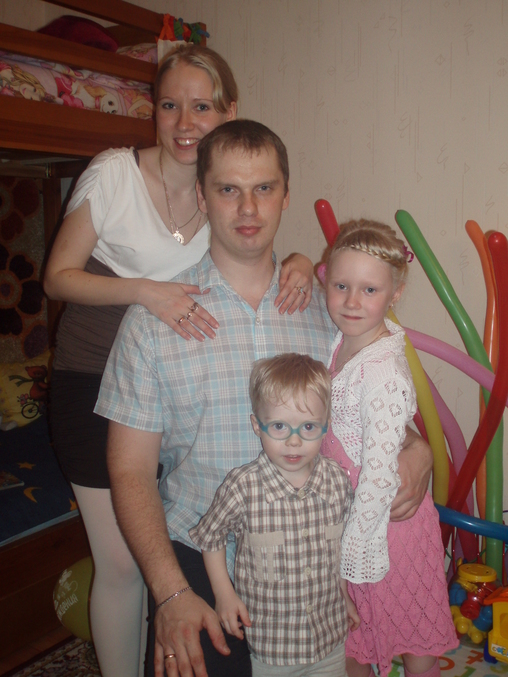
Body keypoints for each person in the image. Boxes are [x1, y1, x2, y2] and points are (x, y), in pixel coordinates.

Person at [96, 119, 433, 677]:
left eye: (264, 188)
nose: (248, 208)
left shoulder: (331, 311)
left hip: (315, 566)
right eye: (228, 189)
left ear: (285, 195)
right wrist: (170, 593)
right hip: (201, 559)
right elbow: (129, 470)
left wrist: (417, 447)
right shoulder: (152, 324)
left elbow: (375, 407)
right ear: (201, 196)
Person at [42, 46, 315, 677]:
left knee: (166, 528)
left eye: (201, 106)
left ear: (228, 112)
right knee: (122, 561)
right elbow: (57, 278)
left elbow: (254, 247)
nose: (185, 121)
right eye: (170, 105)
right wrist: (145, 291)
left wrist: (305, 263)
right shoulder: (116, 174)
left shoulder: (222, 184)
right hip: (94, 374)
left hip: (178, 378)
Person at [320, 220, 458, 677]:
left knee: (412, 635)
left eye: (369, 290)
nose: (352, 301)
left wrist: (353, 553)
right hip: (353, 516)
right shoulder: (342, 342)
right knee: (355, 636)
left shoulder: (383, 374)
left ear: (395, 293)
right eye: (341, 286)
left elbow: (380, 476)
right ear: (326, 280)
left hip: (386, 525)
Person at [190, 353, 360, 676]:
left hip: (329, 640)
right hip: (271, 650)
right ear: (257, 425)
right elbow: (209, 537)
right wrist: (224, 594)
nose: (294, 441)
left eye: (308, 427)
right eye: (279, 426)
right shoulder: (243, 487)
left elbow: (336, 554)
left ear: (326, 426)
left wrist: (345, 596)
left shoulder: (337, 482)